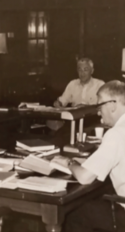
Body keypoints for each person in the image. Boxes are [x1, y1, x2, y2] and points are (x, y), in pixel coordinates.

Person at [64, 80, 125, 232]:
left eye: (100, 106)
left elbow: (85, 177)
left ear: (112, 105)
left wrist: (69, 162)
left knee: (74, 214)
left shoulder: (116, 134)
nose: (98, 112)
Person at [47, 58, 105, 131]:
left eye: (85, 70)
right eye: (80, 70)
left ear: (92, 71)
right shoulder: (72, 84)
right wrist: (58, 103)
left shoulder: (100, 84)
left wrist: (85, 108)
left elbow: (102, 106)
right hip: (74, 121)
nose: (82, 73)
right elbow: (63, 100)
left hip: (92, 121)